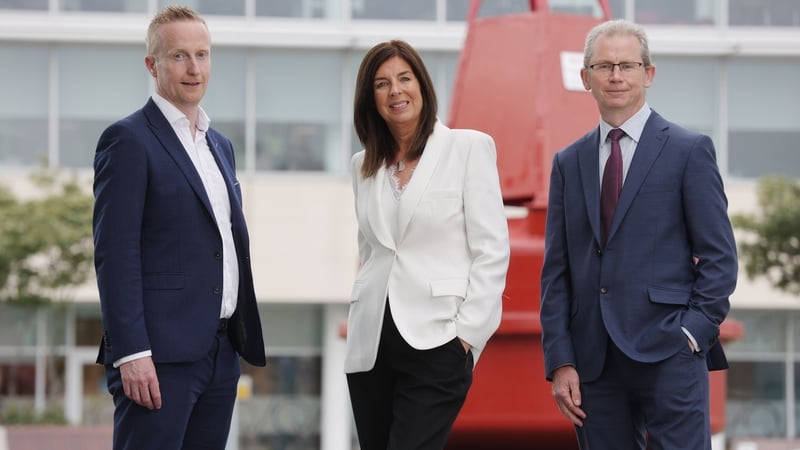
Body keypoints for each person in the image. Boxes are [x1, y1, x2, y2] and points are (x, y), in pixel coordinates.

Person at [539, 19, 738, 450]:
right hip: (593, 364)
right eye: (604, 66)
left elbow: (720, 258)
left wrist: (691, 334)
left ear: (648, 74)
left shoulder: (689, 150)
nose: (615, 76)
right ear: (585, 77)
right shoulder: (567, 163)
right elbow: (557, 273)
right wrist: (560, 360)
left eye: (627, 65)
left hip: (670, 351)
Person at [92, 6, 266, 450]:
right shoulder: (128, 139)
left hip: (220, 352)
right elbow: (116, 253)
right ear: (152, 65)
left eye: (202, 55)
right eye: (179, 57)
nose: (194, 68)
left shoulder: (219, 145)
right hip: (158, 357)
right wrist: (131, 353)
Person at [346, 39, 510, 450]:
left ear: (422, 84)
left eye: (405, 78)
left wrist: (467, 337)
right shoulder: (361, 165)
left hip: (438, 340)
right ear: (371, 98)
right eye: (382, 84)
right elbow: (370, 251)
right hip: (371, 344)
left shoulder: (468, 147)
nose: (396, 91)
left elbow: (491, 250)